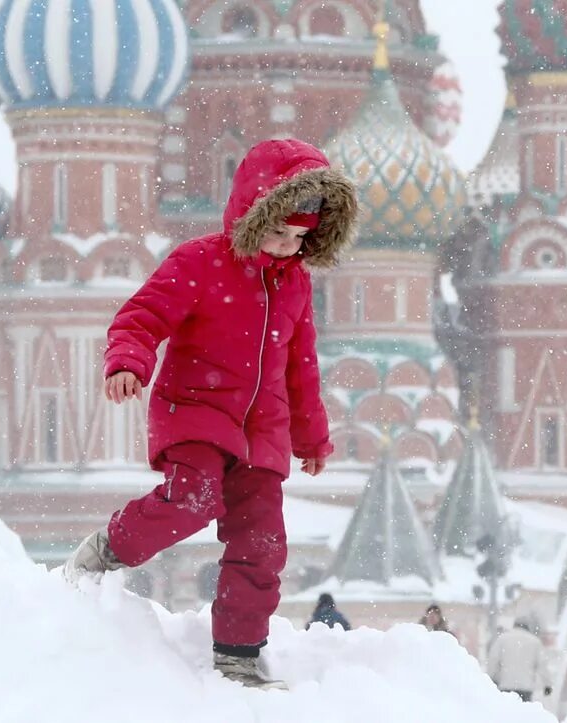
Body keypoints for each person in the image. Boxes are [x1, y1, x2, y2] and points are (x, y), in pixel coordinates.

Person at [62, 139, 358, 690]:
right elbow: (143, 316)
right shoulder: (201, 262)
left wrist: (311, 437)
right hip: (196, 411)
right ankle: (109, 548)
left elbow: (302, 365)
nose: (287, 248)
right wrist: (128, 362)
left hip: (262, 432)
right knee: (193, 500)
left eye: (299, 239)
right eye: (277, 232)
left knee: (262, 542)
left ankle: (239, 656)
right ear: (251, 214)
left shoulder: (294, 282)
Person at [488, 616, 551, 703]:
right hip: (525, 688)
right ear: (528, 626)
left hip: (506, 686)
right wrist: (548, 686)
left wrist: (490, 681)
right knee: (523, 715)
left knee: (505, 715)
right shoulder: (535, 642)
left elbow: (493, 661)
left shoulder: (502, 639)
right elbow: (542, 665)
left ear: (514, 625)